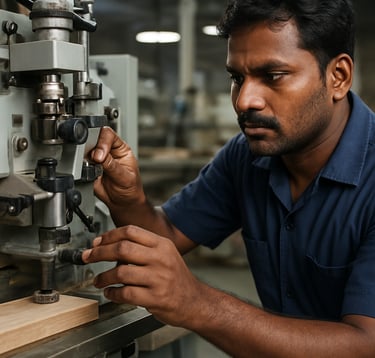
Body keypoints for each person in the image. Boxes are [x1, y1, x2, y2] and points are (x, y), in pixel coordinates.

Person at [82, 0, 375, 356]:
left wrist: (198, 303)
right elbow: (167, 237)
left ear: (338, 77)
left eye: (273, 76)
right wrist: (129, 199)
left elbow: (365, 345)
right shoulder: (247, 156)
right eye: (237, 78)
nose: (245, 100)